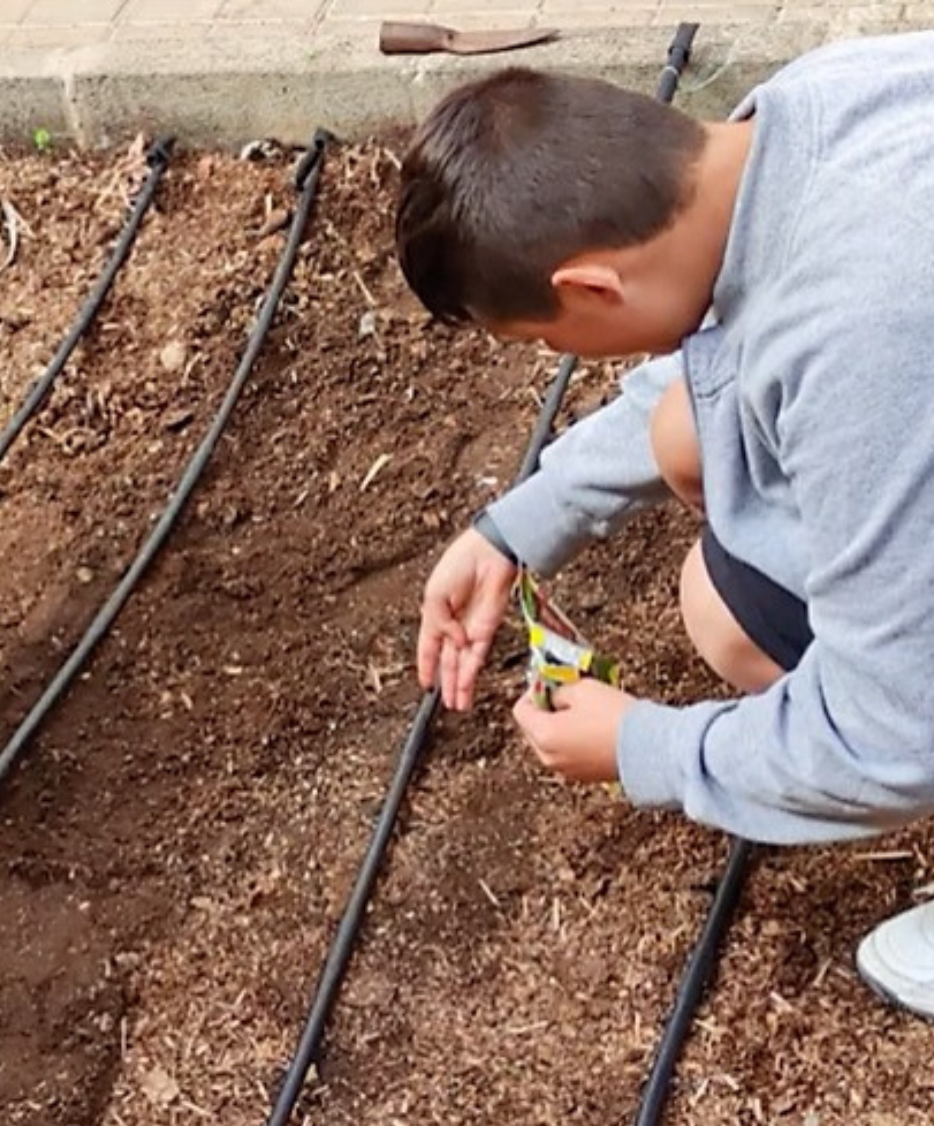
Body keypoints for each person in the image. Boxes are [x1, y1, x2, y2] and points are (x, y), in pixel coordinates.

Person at [395, 30, 934, 1018]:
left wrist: (645, 746)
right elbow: (705, 359)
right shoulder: (801, 116)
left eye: (548, 338)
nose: (571, 355)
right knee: (725, 582)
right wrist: (514, 528)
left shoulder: (866, 339)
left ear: (591, 285)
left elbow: (891, 738)